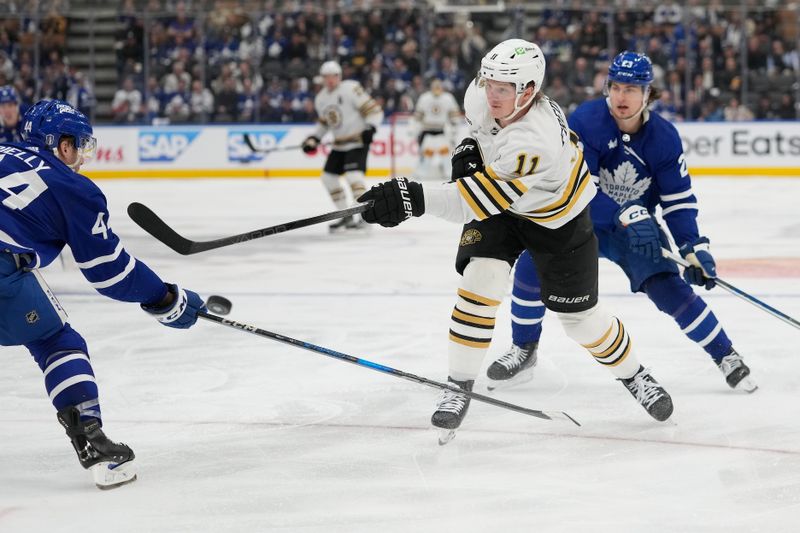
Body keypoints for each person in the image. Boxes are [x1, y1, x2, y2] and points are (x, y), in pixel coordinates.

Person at [356, 39, 674, 444]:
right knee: (479, 280)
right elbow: (478, 136)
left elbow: (471, 202)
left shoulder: (534, 138)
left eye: (502, 89)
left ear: (528, 90)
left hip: (558, 216)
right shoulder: (483, 94)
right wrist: (468, 150)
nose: (491, 95)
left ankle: (635, 375)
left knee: (580, 321)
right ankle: (458, 385)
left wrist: (411, 197)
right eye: (488, 84)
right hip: (506, 201)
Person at [486, 51, 757, 394]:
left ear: (648, 94)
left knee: (668, 287)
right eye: (615, 87)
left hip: (635, 231)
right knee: (532, 263)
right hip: (581, 220)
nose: (621, 96)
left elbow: (678, 202)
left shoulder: (665, 138)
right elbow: (580, 187)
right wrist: (626, 212)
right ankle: (524, 348)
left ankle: (725, 354)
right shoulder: (586, 120)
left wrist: (692, 247)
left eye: (631, 89)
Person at [0, 100, 207, 489]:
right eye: (79, 145)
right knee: (56, 341)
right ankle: (94, 446)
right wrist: (162, 297)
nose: (81, 156)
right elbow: (108, 272)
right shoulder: (73, 186)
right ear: (62, 146)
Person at [302, 60, 383, 232]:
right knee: (328, 178)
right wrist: (314, 138)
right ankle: (344, 215)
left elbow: (374, 111)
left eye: (334, 76)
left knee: (354, 177)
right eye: (327, 77)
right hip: (339, 145)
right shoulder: (321, 98)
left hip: (357, 142)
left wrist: (371, 128)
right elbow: (325, 124)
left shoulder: (351, 88)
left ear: (339, 76)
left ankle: (365, 216)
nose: (330, 80)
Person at [410, 78, 462, 180]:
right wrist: (414, 129)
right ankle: (421, 173)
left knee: (446, 155)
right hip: (428, 132)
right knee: (426, 155)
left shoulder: (448, 98)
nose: (437, 89)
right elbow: (418, 116)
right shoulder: (425, 98)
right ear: (431, 87)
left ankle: (449, 173)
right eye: (435, 87)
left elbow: (454, 116)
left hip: (441, 132)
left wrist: (454, 129)